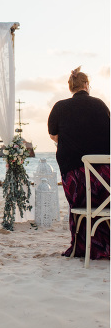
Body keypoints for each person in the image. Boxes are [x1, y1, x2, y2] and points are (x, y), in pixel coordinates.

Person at [48, 67, 110, 260]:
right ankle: (104, 245)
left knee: (80, 201)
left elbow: (53, 135)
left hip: (75, 177)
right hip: (104, 178)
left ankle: (82, 246)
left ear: (71, 87)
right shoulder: (100, 105)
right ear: (86, 85)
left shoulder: (59, 106)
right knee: (102, 203)